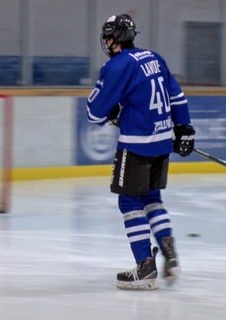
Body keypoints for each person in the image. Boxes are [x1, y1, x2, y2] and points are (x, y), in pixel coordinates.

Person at [86, 14, 196, 290]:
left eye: (109, 36)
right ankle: (169, 252)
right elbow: (177, 96)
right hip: (161, 142)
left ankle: (145, 266)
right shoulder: (154, 57)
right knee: (151, 199)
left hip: (136, 144)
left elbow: (94, 112)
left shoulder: (116, 65)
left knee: (129, 202)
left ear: (115, 38)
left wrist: (111, 109)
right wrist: (184, 128)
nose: (107, 42)